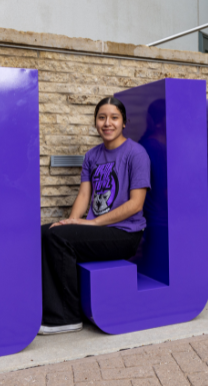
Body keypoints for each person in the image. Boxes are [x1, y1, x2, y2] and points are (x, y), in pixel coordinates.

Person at [39, 97, 151, 335]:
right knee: (46, 232)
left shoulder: (136, 153)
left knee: (58, 238)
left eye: (114, 117)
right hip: (98, 229)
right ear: (95, 122)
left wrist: (91, 223)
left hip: (125, 233)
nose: (107, 123)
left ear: (124, 123)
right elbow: (83, 195)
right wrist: (70, 221)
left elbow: (136, 204)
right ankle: (49, 306)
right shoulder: (92, 156)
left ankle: (65, 316)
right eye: (102, 117)